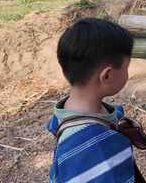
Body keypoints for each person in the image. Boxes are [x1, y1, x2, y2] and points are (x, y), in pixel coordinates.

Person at [46, 18, 139, 183]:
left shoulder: (66, 114)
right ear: (107, 75)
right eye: (126, 67)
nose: (127, 72)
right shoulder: (99, 147)